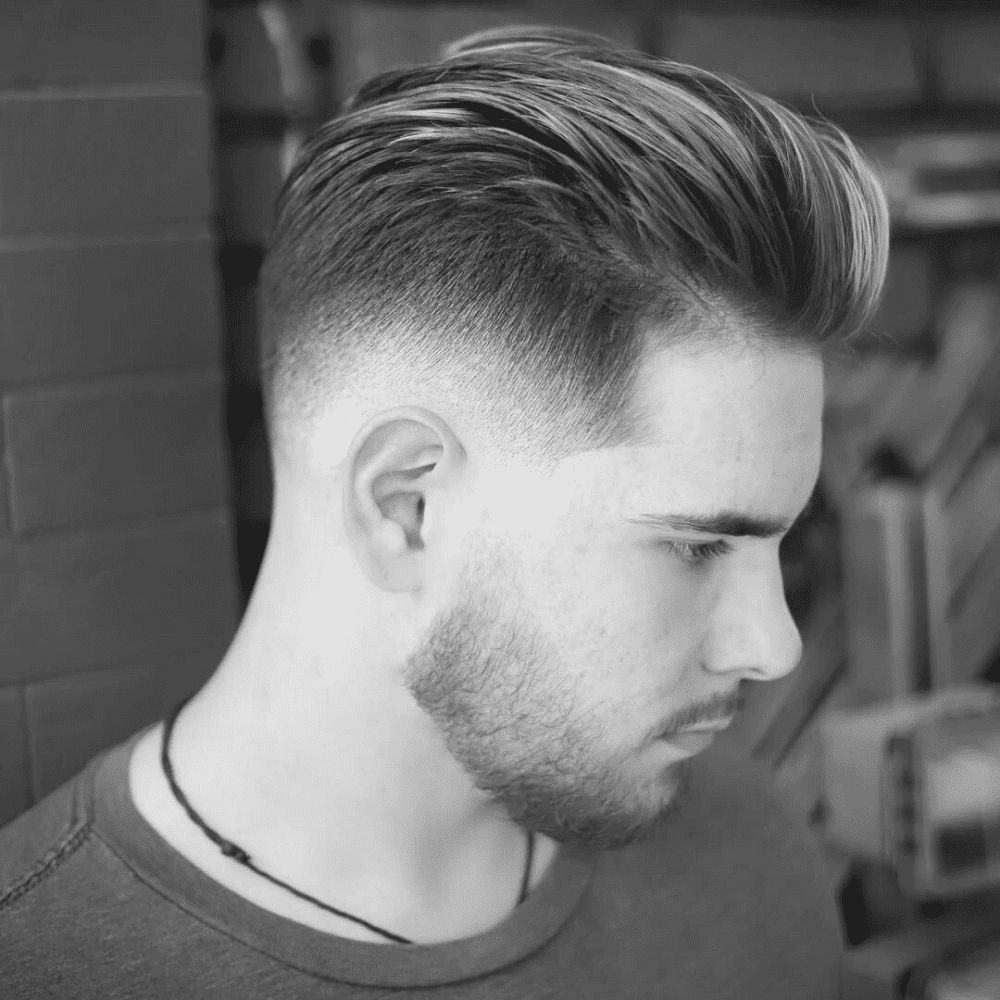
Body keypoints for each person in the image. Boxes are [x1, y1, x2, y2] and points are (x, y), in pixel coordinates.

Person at [0, 24, 888, 998]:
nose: (773, 646)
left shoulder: (742, 852)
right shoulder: (51, 963)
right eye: (694, 544)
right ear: (408, 506)